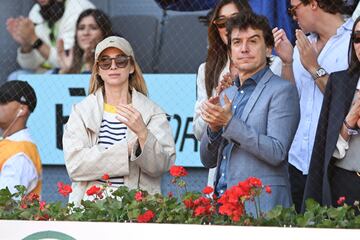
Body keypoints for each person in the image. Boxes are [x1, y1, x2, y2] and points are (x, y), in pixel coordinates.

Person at [200, 12, 300, 214]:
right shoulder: (227, 93)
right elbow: (207, 160)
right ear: (230, 51)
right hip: (222, 206)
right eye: (237, 42)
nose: (244, 49)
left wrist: (229, 123)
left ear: (268, 48)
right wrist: (214, 128)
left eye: (253, 41)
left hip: (261, 207)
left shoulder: (282, 91)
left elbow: (277, 152)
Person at [63, 36, 176, 205]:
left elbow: (160, 166)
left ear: (131, 67)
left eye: (121, 60)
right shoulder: (81, 111)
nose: (113, 66)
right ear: (98, 70)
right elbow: (76, 166)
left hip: (136, 210)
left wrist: (143, 133)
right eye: (105, 62)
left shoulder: (152, 112)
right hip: (89, 210)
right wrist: (126, 150)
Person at [272, 0, 353, 213]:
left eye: (294, 8)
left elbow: (348, 102)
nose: (292, 16)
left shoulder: (354, 39)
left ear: (314, 4)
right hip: (297, 162)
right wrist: (288, 63)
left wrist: (314, 67)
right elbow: (292, 100)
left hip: (334, 163)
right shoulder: (303, 45)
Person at [193, 0, 283, 188]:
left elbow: (272, 130)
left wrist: (230, 113)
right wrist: (216, 104)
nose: (227, 27)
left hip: (258, 175)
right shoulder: (207, 69)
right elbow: (199, 131)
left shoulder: (273, 63)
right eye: (221, 22)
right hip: (220, 176)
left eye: (233, 19)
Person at [303, 16, 360, 208]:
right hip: (345, 184)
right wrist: (349, 121)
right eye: (358, 37)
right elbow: (327, 149)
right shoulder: (340, 83)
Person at [6, 0, 95, 80]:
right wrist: (26, 45)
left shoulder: (78, 8)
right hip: (44, 72)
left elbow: (67, 62)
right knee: (15, 77)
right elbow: (30, 65)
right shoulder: (37, 10)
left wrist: (34, 40)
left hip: (75, 73)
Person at [0, 81, 42, 196]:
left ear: (22, 109)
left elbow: (7, 203)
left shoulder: (20, 153)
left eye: (3, 101)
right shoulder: (10, 143)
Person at [55, 9, 113, 74]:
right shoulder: (69, 59)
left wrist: (88, 67)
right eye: (81, 28)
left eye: (93, 28)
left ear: (104, 33)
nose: (86, 33)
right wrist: (64, 71)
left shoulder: (115, 62)